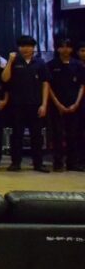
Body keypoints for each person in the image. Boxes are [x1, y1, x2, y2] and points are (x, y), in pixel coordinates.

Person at [0, 35, 52, 172]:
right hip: (17, 105)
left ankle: (38, 163)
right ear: (18, 47)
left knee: (37, 136)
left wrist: (44, 104)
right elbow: (5, 79)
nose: (26, 49)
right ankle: (15, 162)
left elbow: (45, 84)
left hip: (35, 105)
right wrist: (10, 61)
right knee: (17, 135)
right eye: (22, 46)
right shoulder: (14, 61)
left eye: (29, 46)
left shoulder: (40, 63)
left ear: (33, 48)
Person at [47, 38, 83, 171]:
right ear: (58, 49)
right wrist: (58, 104)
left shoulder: (78, 65)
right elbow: (48, 86)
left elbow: (82, 85)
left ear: (72, 49)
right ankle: (58, 162)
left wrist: (76, 103)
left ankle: (72, 163)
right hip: (56, 106)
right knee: (57, 134)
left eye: (68, 47)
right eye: (62, 47)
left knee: (73, 134)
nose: (65, 49)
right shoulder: (51, 65)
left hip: (74, 105)